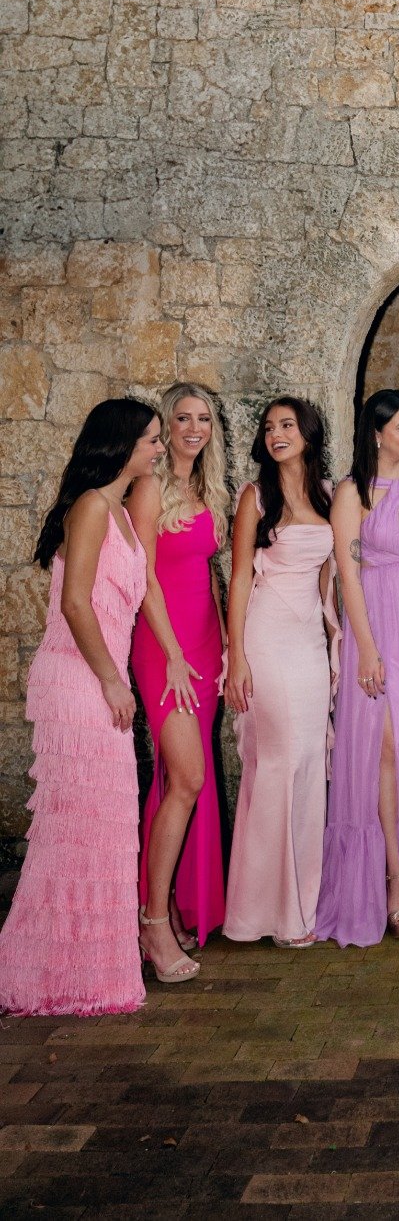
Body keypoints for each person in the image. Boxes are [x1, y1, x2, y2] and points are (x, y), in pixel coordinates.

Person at [0, 399, 163, 1015]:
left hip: (100, 681)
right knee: (76, 832)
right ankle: (48, 973)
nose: (157, 448)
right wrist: (111, 681)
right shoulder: (93, 506)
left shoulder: (120, 510)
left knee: (102, 834)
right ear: (120, 445)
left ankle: (84, 974)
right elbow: (74, 604)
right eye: (149, 439)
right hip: (78, 682)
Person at [318, 389, 399, 946]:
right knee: (384, 750)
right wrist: (366, 648)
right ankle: (393, 883)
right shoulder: (352, 492)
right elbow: (348, 575)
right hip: (378, 630)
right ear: (376, 432)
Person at [223, 398, 339, 947]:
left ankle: (304, 902)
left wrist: (335, 636)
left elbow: (328, 578)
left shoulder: (329, 494)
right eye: (269, 428)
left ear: (309, 434)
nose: (276, 435)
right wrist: (236, 657)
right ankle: (266, 912)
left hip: (309, 642)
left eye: (287, 426)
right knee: (278, 760)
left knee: (310, 760)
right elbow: (239, 578)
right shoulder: (255, 496)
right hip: (265, 636)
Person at [129, 382, 230, 975]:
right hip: (163, 647)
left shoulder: (206, 488)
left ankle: (167, 902)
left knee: (178, 783)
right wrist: (170, 653)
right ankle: (153, 925)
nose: (195, 428)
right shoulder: (149, 487)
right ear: (165, 427)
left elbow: (210, 575)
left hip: (205, 644)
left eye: (204, 419)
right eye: (183, 418)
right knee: (188, 778)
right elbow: (143, 578)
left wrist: (225, 649)